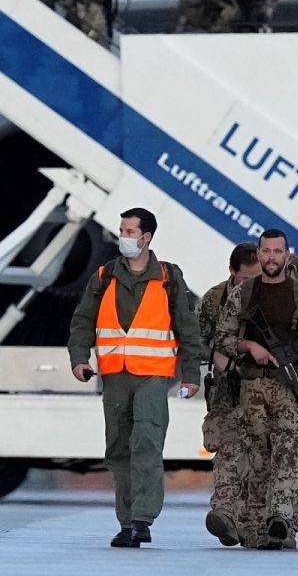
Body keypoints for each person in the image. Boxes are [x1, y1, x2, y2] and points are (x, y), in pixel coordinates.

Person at [67, 207, 203, 548]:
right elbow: (82, 322)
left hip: (153, 377)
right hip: (114, 378)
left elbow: (187, 329)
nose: (123, 237)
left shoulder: (168, 277)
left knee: (146, 443)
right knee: (118, 450)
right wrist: (79, 360)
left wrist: (191, 376)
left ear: (146, 237)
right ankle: (126, 524)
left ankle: (142, 519)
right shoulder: (104, 276)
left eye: (129, 232)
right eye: (122, 230)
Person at [212, 229, 298, 549]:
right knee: (257, 458)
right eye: (265, 251)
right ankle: (258, 526)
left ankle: (281, 518)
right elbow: (222, 338)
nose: (271, 257)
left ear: (286, 255)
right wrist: (248, 346)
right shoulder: (243, 295)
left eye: (277, 251)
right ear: (259, 255)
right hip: (253, 386)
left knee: (288, 452)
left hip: (291, 386)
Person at [196, 242, 260, 547]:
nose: (251, 285)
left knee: (259, 452)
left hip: (261, 385)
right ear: (232, 272)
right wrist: (217, 356)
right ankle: (224, 513)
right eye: (245, 279)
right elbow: (196, 338)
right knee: (227, 448)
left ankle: (246, 522)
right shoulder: (214, 299)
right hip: (226, 388)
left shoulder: (271, 294)